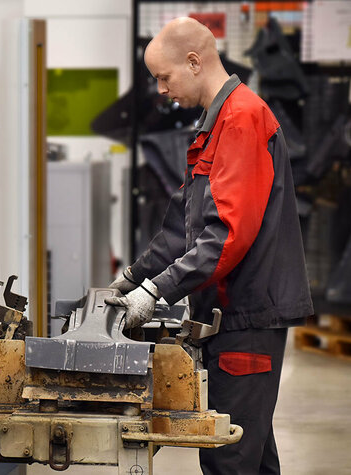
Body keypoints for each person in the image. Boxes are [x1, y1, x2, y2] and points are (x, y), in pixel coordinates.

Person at [105, 17, 313, 475]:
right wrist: (134, 278)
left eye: (164, 77)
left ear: (194, 62)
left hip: (247, 318)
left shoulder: (241, 118)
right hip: (230, 318)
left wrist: (158, 291)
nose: (161, 90)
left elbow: (226, 236)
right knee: (251, 458)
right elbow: (185, 227)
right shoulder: (215, 124)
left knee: (228, 463)